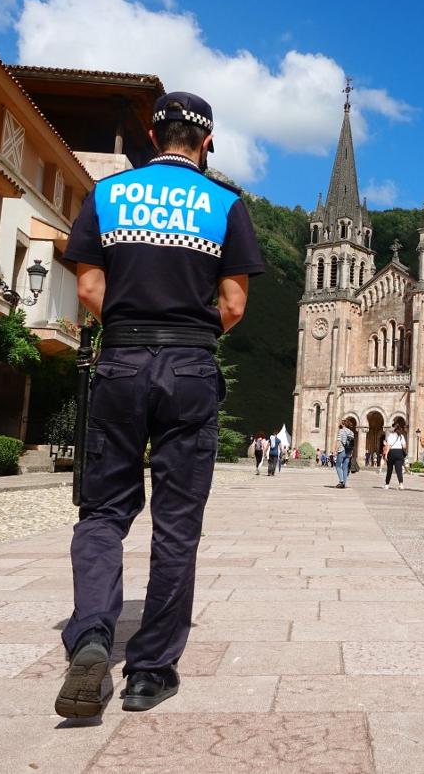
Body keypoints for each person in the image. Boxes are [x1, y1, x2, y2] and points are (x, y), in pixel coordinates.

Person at [55, 90, 264, 718]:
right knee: (177, 523)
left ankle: (92, 635)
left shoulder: (108, 195)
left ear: (152, 135)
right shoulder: (225, 204)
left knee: (101, 512)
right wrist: (189, 337)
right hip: (190, 367)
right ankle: (150, 672)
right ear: (206, 144)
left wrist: (128, 323)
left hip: (119, 360)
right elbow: (232, 305)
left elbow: (89, 283)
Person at [383, 416, 408, 489]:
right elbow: (404, 446)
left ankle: (387, 485)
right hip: (399, 453)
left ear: (394, 429)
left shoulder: (391, 435)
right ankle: (401, 484)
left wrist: (386, 455)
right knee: (399, 469)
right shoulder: (401, 436)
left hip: (392, 453)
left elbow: (388, 446)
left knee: (389, 469)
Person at [335, 416, 357, 488]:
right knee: (345, 468)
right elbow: (352, 443)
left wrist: (335, 451)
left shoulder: (341, 431)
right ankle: (344, 483)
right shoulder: (351, 432)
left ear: (343, 424)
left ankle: (341, 481)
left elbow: (338, 442)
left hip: (341, 450)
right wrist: (351, 453)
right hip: (348, 451)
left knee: (338, 466)